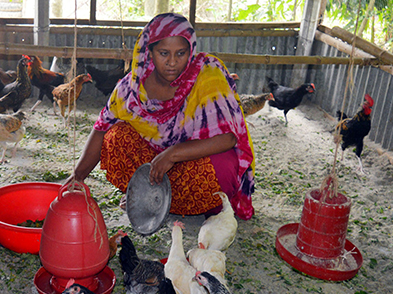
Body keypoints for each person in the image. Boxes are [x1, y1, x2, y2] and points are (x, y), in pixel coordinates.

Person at [68, 13, 255, 220]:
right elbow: (100, 129)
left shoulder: (207, 75)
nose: (172, 62)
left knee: (223, 168)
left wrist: (173, 154)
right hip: (155, 169)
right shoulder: (131, 88)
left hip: (191, 162)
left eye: (181, 53)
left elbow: (228, 138)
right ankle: (149, 195)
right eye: (164, 53)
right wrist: (77, 177)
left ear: (191, 50)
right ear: (149, 51)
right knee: (115, 137)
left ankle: (159, 200)